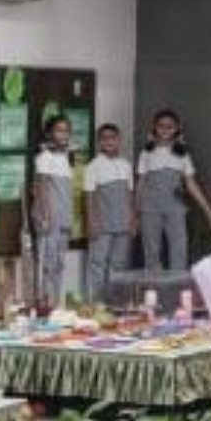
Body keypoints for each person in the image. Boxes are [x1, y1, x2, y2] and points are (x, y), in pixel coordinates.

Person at [135, 109, 211, 272]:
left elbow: (191, 184)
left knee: (179, 249)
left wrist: (208, 211)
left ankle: (177, 286)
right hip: (149, 208)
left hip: (175, 209)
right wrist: (135, 213)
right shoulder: (146, 152)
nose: (165, 130)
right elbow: (141, 183)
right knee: (151, 252)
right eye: (161, 126)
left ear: (176, 128)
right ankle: (154, 286)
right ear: (155, 127)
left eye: (169, 126)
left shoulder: (182, 153)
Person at [84, 123, 135, 302]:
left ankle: (115, 302)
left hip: (123, 224)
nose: (109, 142)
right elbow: (89, 197)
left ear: (119, 140)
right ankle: (96, 302)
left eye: (112, 138)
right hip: (102, 225)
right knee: (97, 263)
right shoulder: (93, 166)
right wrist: (91, 222)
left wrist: (133, 220)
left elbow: (129, 195)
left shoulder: (126, 165)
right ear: (99, 142)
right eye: (104, 139)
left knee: (119, 265)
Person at [32, 114, 74, 310]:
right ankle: (44, 304)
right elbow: (41, 188)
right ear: (49, 134)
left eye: (66, 131)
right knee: (46, 263)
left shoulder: (65, 158)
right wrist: (45, 216)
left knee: (59, 263)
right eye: (59, 130)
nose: (64, 134)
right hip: (49, 218)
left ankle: (55, 304)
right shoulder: (44, 157)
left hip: (63, 217)